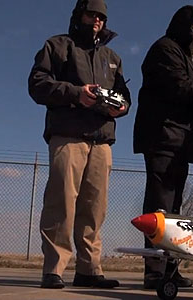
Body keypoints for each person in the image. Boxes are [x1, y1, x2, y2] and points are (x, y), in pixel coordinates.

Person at [28, 0, 130, 289]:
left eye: (101, 17)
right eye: (91, 14)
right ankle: (54, 269)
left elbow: (124, 95)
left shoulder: (112, 57)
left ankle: (89, 269)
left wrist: (121, 107)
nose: (96, 20)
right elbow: (37, 84)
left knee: (95, 208)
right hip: (68, 136)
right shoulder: (57, 46)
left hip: (101, 141)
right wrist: (75, 93)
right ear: (79, 15)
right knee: (61, 203)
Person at [133, 5, 193, 289]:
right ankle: (155, 269)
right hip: (162, 137)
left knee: (175, 208)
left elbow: (190, 98)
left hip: (181, 139)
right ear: (185, 29)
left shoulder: (189, 57)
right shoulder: (165, 50)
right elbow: (180, 88)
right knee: (160, 205)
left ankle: (170, 268)